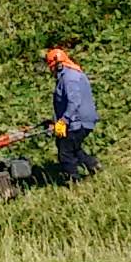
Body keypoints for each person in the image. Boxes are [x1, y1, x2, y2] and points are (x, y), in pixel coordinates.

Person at [44, 46, 100, 182]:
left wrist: (64, 121)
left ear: (57, 66)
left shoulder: (69, 78)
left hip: (78, 121)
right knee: (74, 148)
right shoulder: (74, 74)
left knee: (65, 152)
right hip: (80, 120)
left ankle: (74, 181)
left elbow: (74, 101)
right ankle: (94, 165)